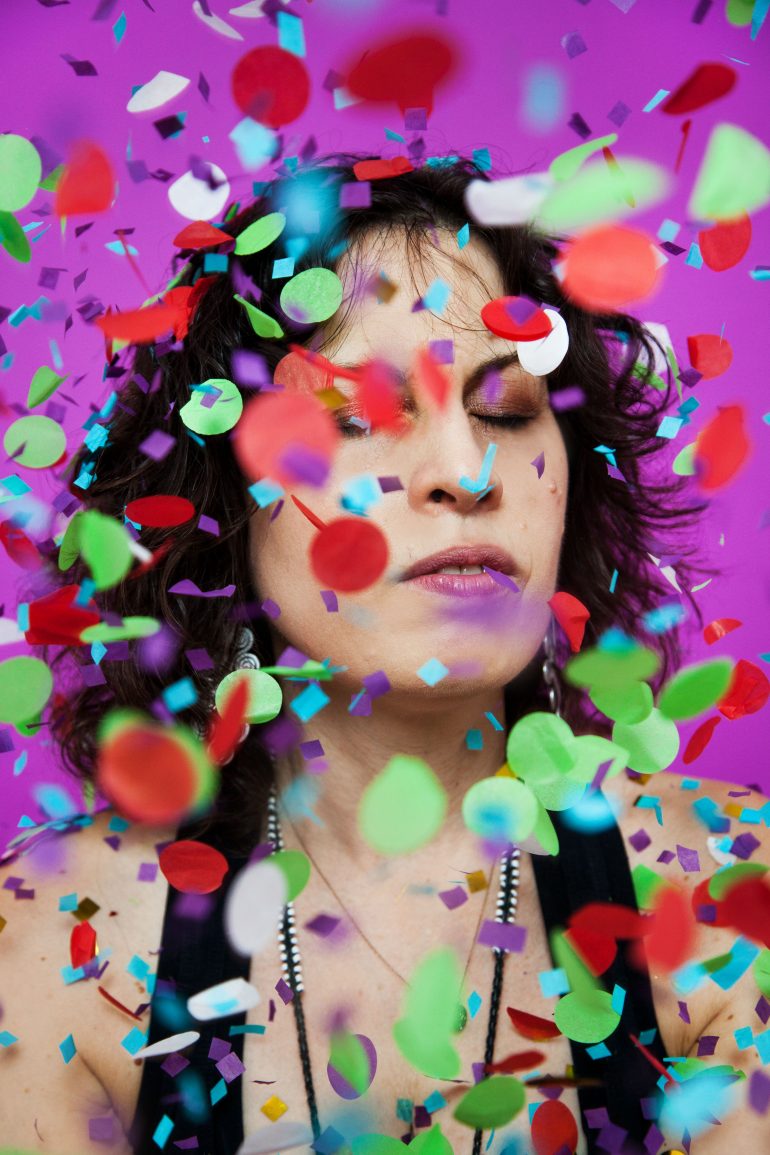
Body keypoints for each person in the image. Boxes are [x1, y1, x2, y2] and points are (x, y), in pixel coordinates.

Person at [2, 154, 768, 1155]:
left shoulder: (733, 900)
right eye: (358, 417)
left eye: (505, 409)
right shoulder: (48, 948)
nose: (465, 470)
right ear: (224, 505)